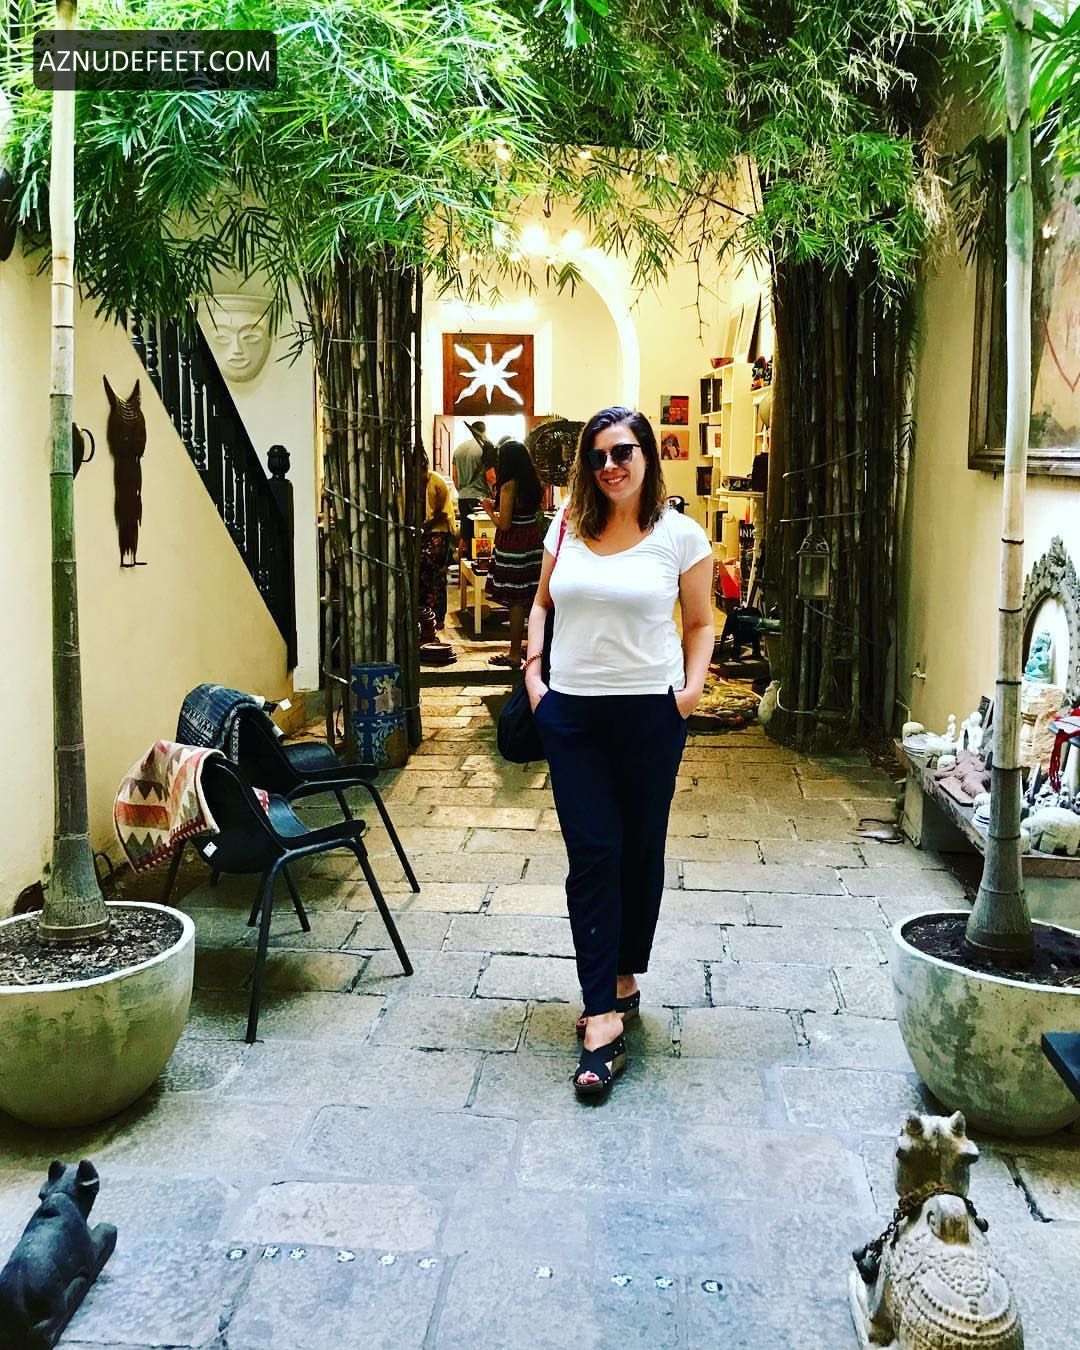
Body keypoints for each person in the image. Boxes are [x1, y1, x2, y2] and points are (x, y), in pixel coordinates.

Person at [524, 407, 713, 1098]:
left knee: (639, 849)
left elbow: (700, 622)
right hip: (572, 714)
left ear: (646, 456)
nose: (610, 466)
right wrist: (535, 676)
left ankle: (624, 975)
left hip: (649, 715)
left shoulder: (679, 535)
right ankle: (600, 1013)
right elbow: (541, 604)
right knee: (593, 852)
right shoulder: (568, 524)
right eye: (598, 455)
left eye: (623, 451)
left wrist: (689, 692)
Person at [483, 439, 544, 669]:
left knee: (516, 601)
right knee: (531, 596)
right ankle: (533, 648)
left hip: (514, 544)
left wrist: (490, 510)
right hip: (531, 539)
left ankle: (515, 653)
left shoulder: (509, 486)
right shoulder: (533, 483)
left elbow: (505, 524)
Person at [419, 451, 456, 628]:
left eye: (424, 467)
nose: (422, 471)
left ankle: (438, 617)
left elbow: (444, 514)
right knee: (421, 575)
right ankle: (423, 615)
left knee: (437, 575)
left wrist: (427, 525)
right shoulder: (406, 484)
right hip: (419, 533)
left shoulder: (437, 482)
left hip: (438, 532)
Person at [452, 421, 488, 557]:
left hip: (463, 497)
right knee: (481, 536)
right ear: (484, 432)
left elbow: (454, 477)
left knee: (465, 536)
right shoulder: (484, 449)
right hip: (479, 498)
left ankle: (461, 568)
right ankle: (478, 566)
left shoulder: (459, 449)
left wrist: (462, 491)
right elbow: (490, 477)